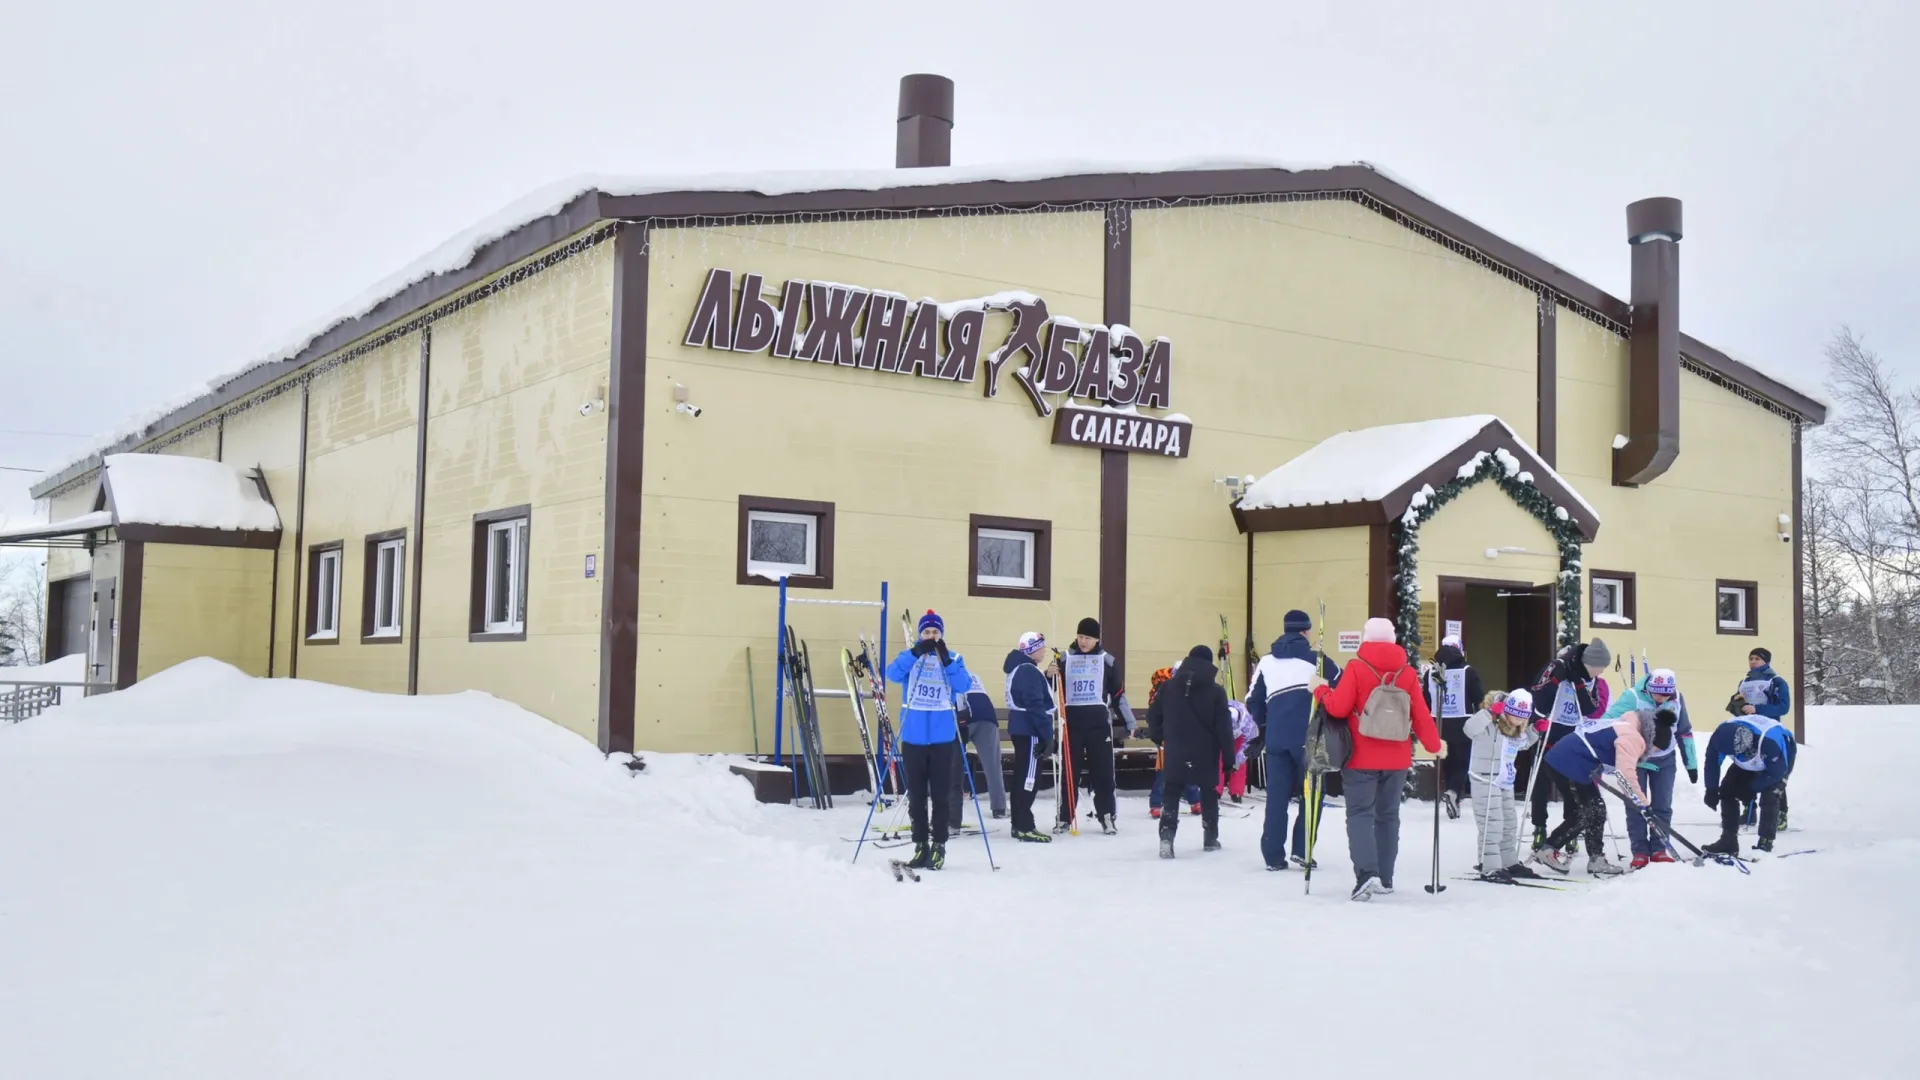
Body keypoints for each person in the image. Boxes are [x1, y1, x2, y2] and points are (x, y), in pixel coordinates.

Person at [1313, 617, 1443, 901]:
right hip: (1396, 759)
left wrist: (1321, 690)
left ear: (1366, 639)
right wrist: (1434, 745)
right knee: (1388, 817)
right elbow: (1420, 713)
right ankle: (1385, 877)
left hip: (1360, 758)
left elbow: (1338, 708)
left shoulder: (1357, 668)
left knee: (1360, 814)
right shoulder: (1407, 673)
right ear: (1393, 639)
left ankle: (1366, 874)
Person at [1247, 609, 1341, 871]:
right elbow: (1341, 688)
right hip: (1310, 737)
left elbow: (1253, 699)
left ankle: (1273, 855)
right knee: (1313, 794)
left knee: (1276, 797)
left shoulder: (1266, 661)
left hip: (1276, 738)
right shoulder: (1318, 659)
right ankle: (1303, 848)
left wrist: (1264, 727)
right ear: (1306, 631)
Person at [1535, 698, 1669, 876]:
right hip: (1569, 762)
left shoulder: (1628, 724)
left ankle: (1596, 859)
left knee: (1595, 809)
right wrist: (1643, 804)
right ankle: (1549, 849)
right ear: (1652, 739)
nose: (1651, 753)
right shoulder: (1633, 738)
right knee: (1590, 811)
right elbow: (1626, 775)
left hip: (1569, 760)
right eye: (1655, 749)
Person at [884, 610, 974, 870]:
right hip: (913, 736)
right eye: (927, 632)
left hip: (942, 737)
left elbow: (964, 685)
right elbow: (892, 674)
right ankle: (920, 844)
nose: (931, 636)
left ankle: (939, 845)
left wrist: (947, 660)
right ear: (920, 635)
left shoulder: (953, 658)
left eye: (936, 632)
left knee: (941, 794)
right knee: (917, 796)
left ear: (942, 635)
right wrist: (914, 652)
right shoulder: (910, 658)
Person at [1602, 668, 1696, 868]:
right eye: (1658, 693)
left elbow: (1684, 731)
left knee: (1662, 805)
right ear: (1649, 688)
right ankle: (1640, 851)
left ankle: (1660, 848)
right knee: (1636, 804)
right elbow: (1608, 722)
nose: (1662, 698)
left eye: (1666, 694)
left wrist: (1691, 763)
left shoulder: (1677, 698)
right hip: (1637, 760)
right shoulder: (1632, 696)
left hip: (1665, 759)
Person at [1146, 645, 1235, 858]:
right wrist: (1229, 758)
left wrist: (1159, 736)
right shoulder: (1216, 692)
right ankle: (1210, 837)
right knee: (1208, 792)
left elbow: (1153, 716)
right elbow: (1224, 728)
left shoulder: (1167, 688)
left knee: (1171, 792)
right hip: (1206, 751)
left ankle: (1166, 839)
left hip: (1176, 749)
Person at [1526, 639, 1613, 853]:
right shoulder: (1556, 666)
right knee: (1541, 783)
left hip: (1572, 734)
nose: (1600, 672)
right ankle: (1539, 826)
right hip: (1549, 729)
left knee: (1573, 785)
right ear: (1590, 663)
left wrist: (1579, 684)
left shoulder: (1590, 679)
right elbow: (1538, 697)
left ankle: (1571, 828)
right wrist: (1557, 680)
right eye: (1599, 667)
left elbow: (1590, 708)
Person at [1702, 668, 1798, 857]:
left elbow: (1776, 772)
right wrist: (1711, 790)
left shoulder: (1769, 741)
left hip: (1780, 757)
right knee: (1727, 790)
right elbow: (1712, 764)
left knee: (1770, 794)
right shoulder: (1720, 735)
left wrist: (1754, 787)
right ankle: (1728, 840)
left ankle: (1765, 842)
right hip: (1749, 752)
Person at [1463, 689, 1543, 883]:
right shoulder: (1490, 723)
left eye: (1522, 718)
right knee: (1492, 824)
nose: (1516, 721)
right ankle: (1489, 866)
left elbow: (1522, 745)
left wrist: (1534, 731)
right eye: (1514, 715)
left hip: (1505, 780)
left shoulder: (1516, 729)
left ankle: (1508, 862)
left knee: (1508, 823)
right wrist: (1489, 713)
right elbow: (1469, 729)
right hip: (1485, 778)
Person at [1057, 617, 1124, 835]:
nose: (1083, 641)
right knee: (1070, 772)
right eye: (1080, 636)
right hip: (1072, 725)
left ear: (1096, 639)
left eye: (1088, 637)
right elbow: (1050, 686)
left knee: (1103, 772)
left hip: (1098, 725)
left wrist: (1128, 721)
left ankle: (1107, 816)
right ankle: (1065, 817)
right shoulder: (1064, 659)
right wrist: (1049, 674)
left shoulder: (1108, 661)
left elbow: (1118, 693)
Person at [1001, 631, 1057, 843]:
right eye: (1041, 647)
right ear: (1033, 649)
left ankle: (1019, 823)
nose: (1044, 650)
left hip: (1022, 727)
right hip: (1030, 729)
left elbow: (1036, 696)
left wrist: (1047, 678)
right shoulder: (1028, 671)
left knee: (1023, 775)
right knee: (1028, 778)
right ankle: (1024, 825)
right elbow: (1035, 704)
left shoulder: (1021, 668)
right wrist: (1046, 735)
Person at [1733, 648, 1793, 832]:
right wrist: (1736, 705)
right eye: (1750, 658)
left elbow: (1783, 707)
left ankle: (1780, 814)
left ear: (1766, 661)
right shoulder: (1744, 682)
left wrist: (1757, 710)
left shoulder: (1775, 681)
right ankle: (1749, 810)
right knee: (1746, 769)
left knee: (1773, 773)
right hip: (1747, 731)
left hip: (1769, 732)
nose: (1753, 662)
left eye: (1757, 658)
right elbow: (1738, 705)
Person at [1425, 634, 1484, 819]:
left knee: (1448, 760)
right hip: (1463, 723)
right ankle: (1453, 792)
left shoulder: (1430, 672)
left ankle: (1453, 795)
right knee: (1462, 762)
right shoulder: (1468, 671)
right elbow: (1479, 699)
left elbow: (1425, 701)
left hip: (1439, 723)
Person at [948, 668, 1007, 825]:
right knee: (993, 765)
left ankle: (952, 816)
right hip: (987, 717)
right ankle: (999, 808)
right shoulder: (975, 675)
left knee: (955, 767)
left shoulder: (947, 673)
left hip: (962, 718)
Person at [1147, 664, 1204, 818]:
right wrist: (1157, 733)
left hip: (1187, 737)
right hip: (1168, 737)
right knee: (1163, 773)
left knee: (1188, 769)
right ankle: (1156, 804)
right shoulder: (1165, 691)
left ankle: (1195, 801)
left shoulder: (1193, 691)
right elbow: (1154, 714)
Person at [1222, 697, 1258, 802]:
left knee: (1240, 764)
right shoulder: (1215, 712)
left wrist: (1239, 759)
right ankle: (1215, 789)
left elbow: (1248, 743)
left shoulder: (1247, 722)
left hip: (1240, 736)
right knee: (1217, 759)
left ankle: (1236, 791)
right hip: (1220, 735)